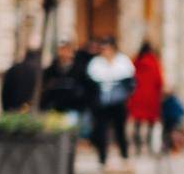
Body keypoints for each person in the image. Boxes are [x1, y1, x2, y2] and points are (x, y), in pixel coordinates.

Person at [86, 36, 134, 164]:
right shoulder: (96, 63)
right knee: (101, 130)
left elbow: (129, 82)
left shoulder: (123, 61)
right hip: (102, 103)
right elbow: (91, 82)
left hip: (118, 103)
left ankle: (124, 155)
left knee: (120, 130)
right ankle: (102, 157)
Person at [129, 41, 163, 154]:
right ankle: (148, 145)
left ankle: (137, 145)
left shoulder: (135, 62)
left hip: (137, 95)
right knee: (150, 121)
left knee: (137, 121)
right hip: (151, 96)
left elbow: (130, 77)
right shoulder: (154, 62)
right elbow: (159, 80)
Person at [41, 41, 87, 120]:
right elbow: (45, 88)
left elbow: (86, 89)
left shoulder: (80, 71)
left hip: (73, 110)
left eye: (67, 50)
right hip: (53, 110)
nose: (64, 54)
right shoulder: (50, 71)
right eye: (62, 50)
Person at [0, 43, 42, 114]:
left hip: (10, 107)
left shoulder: (13, 69)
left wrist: (5, 108)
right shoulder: (35, 71)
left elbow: (4, 91)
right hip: (25, 109)